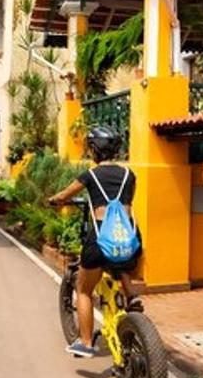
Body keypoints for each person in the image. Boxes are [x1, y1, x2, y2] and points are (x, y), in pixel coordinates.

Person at [47, 125, 142, 358]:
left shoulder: (91, 175)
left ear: (94, 150)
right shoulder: (130, 175)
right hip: (130, 240)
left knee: (83, 289)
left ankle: (87, 342)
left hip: (101, 238)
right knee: (121, 259)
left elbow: (64, 195)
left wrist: (54, 200)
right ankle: (132, 296)